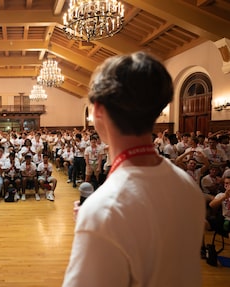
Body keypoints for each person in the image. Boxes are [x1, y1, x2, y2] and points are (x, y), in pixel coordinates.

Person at [63, 52, 205, 286]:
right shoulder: (187, 184)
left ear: (98, 110)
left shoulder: (105, 210)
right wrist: (95, 229)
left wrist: (95, 225)